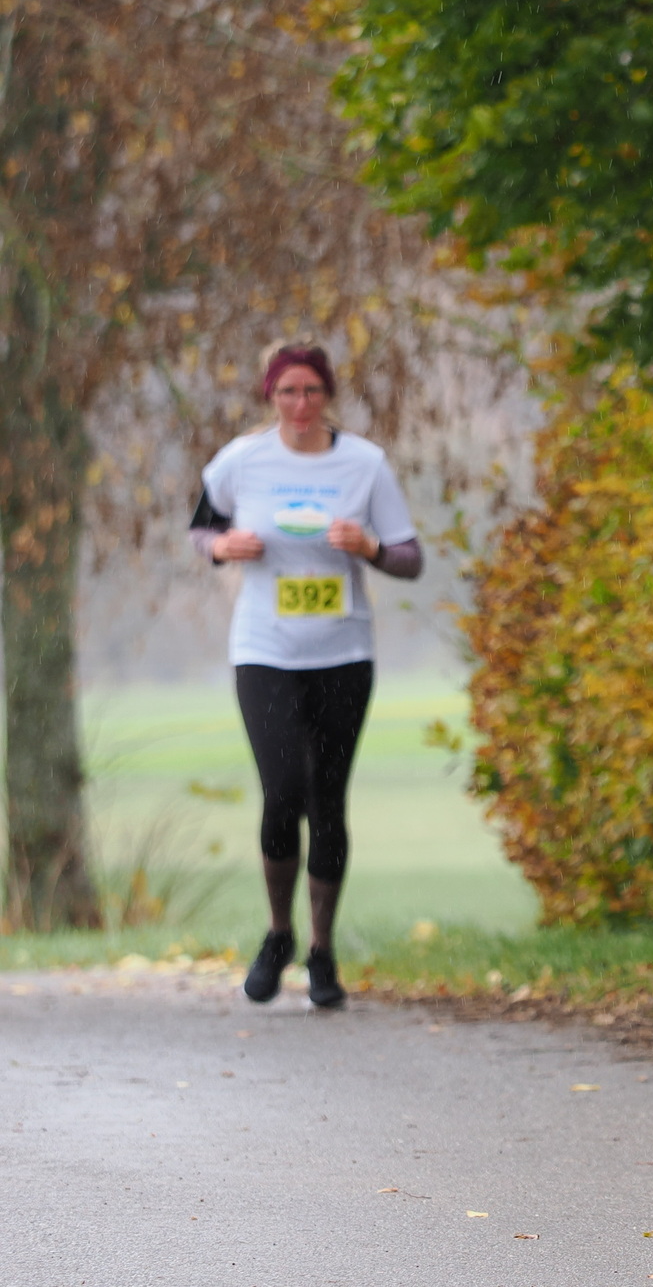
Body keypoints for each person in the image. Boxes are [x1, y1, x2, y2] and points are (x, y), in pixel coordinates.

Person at [190, 344, 421, 1010]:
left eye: (312, 391)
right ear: (271, 396)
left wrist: (369, 547)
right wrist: (222, 547)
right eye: (287, 391)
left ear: (328, 395)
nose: (300, 404)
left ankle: (322, 950)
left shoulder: (364, 463)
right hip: (264, 650)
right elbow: (201, 529)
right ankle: (278, 934)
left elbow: (409, 557)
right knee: (282, 789)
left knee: (327, 801)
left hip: (343, 653)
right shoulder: (241, 461)